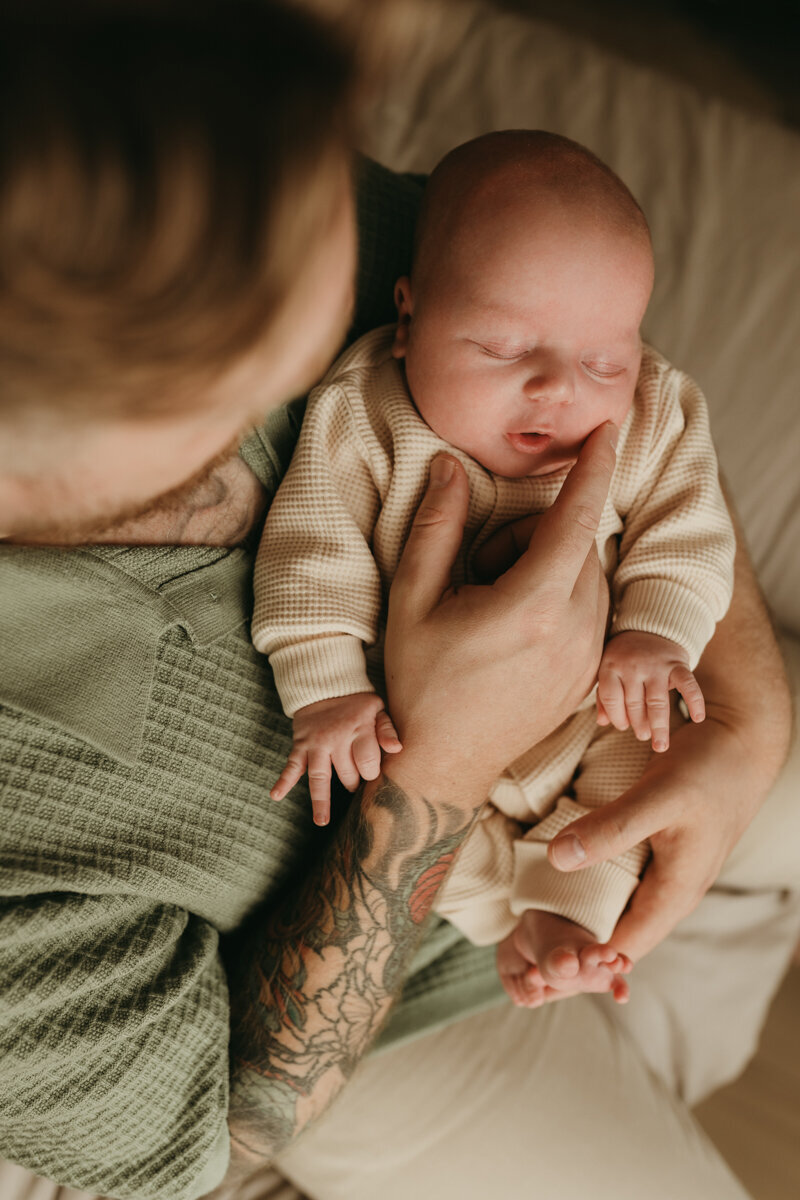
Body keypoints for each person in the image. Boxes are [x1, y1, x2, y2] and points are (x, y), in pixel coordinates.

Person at [0, 4, 796, 1200]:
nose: (339, 353)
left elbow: (597, 377)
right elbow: (203, 1137)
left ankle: (707, 946)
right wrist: (439, 769)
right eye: (253, 370)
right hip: (398, 999)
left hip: (638, 706)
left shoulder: (160, 146)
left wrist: (747, 710)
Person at [252, 130, 736, 1007]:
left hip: (596, 707)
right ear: (408, 318)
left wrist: (655, 631)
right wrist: (324, 688)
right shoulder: (365, 414)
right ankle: (497, 921)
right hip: (420, 725)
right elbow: (310, 552)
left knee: (647, 757)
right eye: (506, 349)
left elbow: (689, 529)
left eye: (602, 362)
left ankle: (567, 911)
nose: (558, 389)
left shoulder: (656, 414)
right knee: (401, 813)